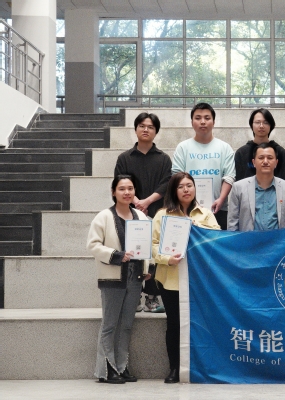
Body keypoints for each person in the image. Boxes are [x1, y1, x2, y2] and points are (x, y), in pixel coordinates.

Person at [152, 172, 221, 384]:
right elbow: (152, 245)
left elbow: (217, 240)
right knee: (174, 324)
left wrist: (196, 228)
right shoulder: (162, 215)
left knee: (200, 323)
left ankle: (201, 367)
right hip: (171, 279)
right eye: (181, 186)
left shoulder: (205, 214)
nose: (186, 190)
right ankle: (175, 368)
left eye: (189, 185)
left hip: (199, 280)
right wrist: (166, 259)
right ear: (174, 190)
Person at [87, 174, 150, 384]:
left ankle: (121, 366)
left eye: (130, 188)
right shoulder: (104, 216)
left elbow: (147, 246)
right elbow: (93, 245)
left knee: (126, 325)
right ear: (114, 192)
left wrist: (148, 268)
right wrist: (117, 255)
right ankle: (107, 369)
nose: (127, 192)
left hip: (135, 279)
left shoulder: (141, 217)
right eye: (122, 189)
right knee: (110, 325)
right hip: (113, 279)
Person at [115, 112, 171, 314]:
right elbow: (120, 183)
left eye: (150, 127)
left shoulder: (163, 159)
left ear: (156, 131)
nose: (146, 129)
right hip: (129, 213)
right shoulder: (124, 158)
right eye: (142, 126)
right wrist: (136, 202)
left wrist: (146, 202)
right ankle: (134, 295)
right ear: (136, 129)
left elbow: (167, 183)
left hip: (156, 212)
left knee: (154, 256)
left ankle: (152, 297)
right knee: (132, 254)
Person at [172, 102, 235, 230]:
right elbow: (176, 176)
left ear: (214, 122)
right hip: (187, 209)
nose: (202, 122)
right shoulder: (182, 148)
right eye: (198, 118)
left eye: (207, 118)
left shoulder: (225, 148)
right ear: (192, 122)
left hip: (218, 208)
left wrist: (221, 199)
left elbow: (229, 176)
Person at [228, 143, 285, 231]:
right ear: (254, 162)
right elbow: (232, 222)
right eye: (261, 158)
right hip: (249, 239)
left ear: (276, 163)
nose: (265, 161)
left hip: (278, 239)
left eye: (270, 158)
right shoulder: (239, 187)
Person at [234, 108, 285, 182]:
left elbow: (282, 181)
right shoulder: (241, 153)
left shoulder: (280, 152)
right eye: (257, 122)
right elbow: (239, 181)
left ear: (271, 125)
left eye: (266, 122)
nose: (261, 126)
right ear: (251, 125)